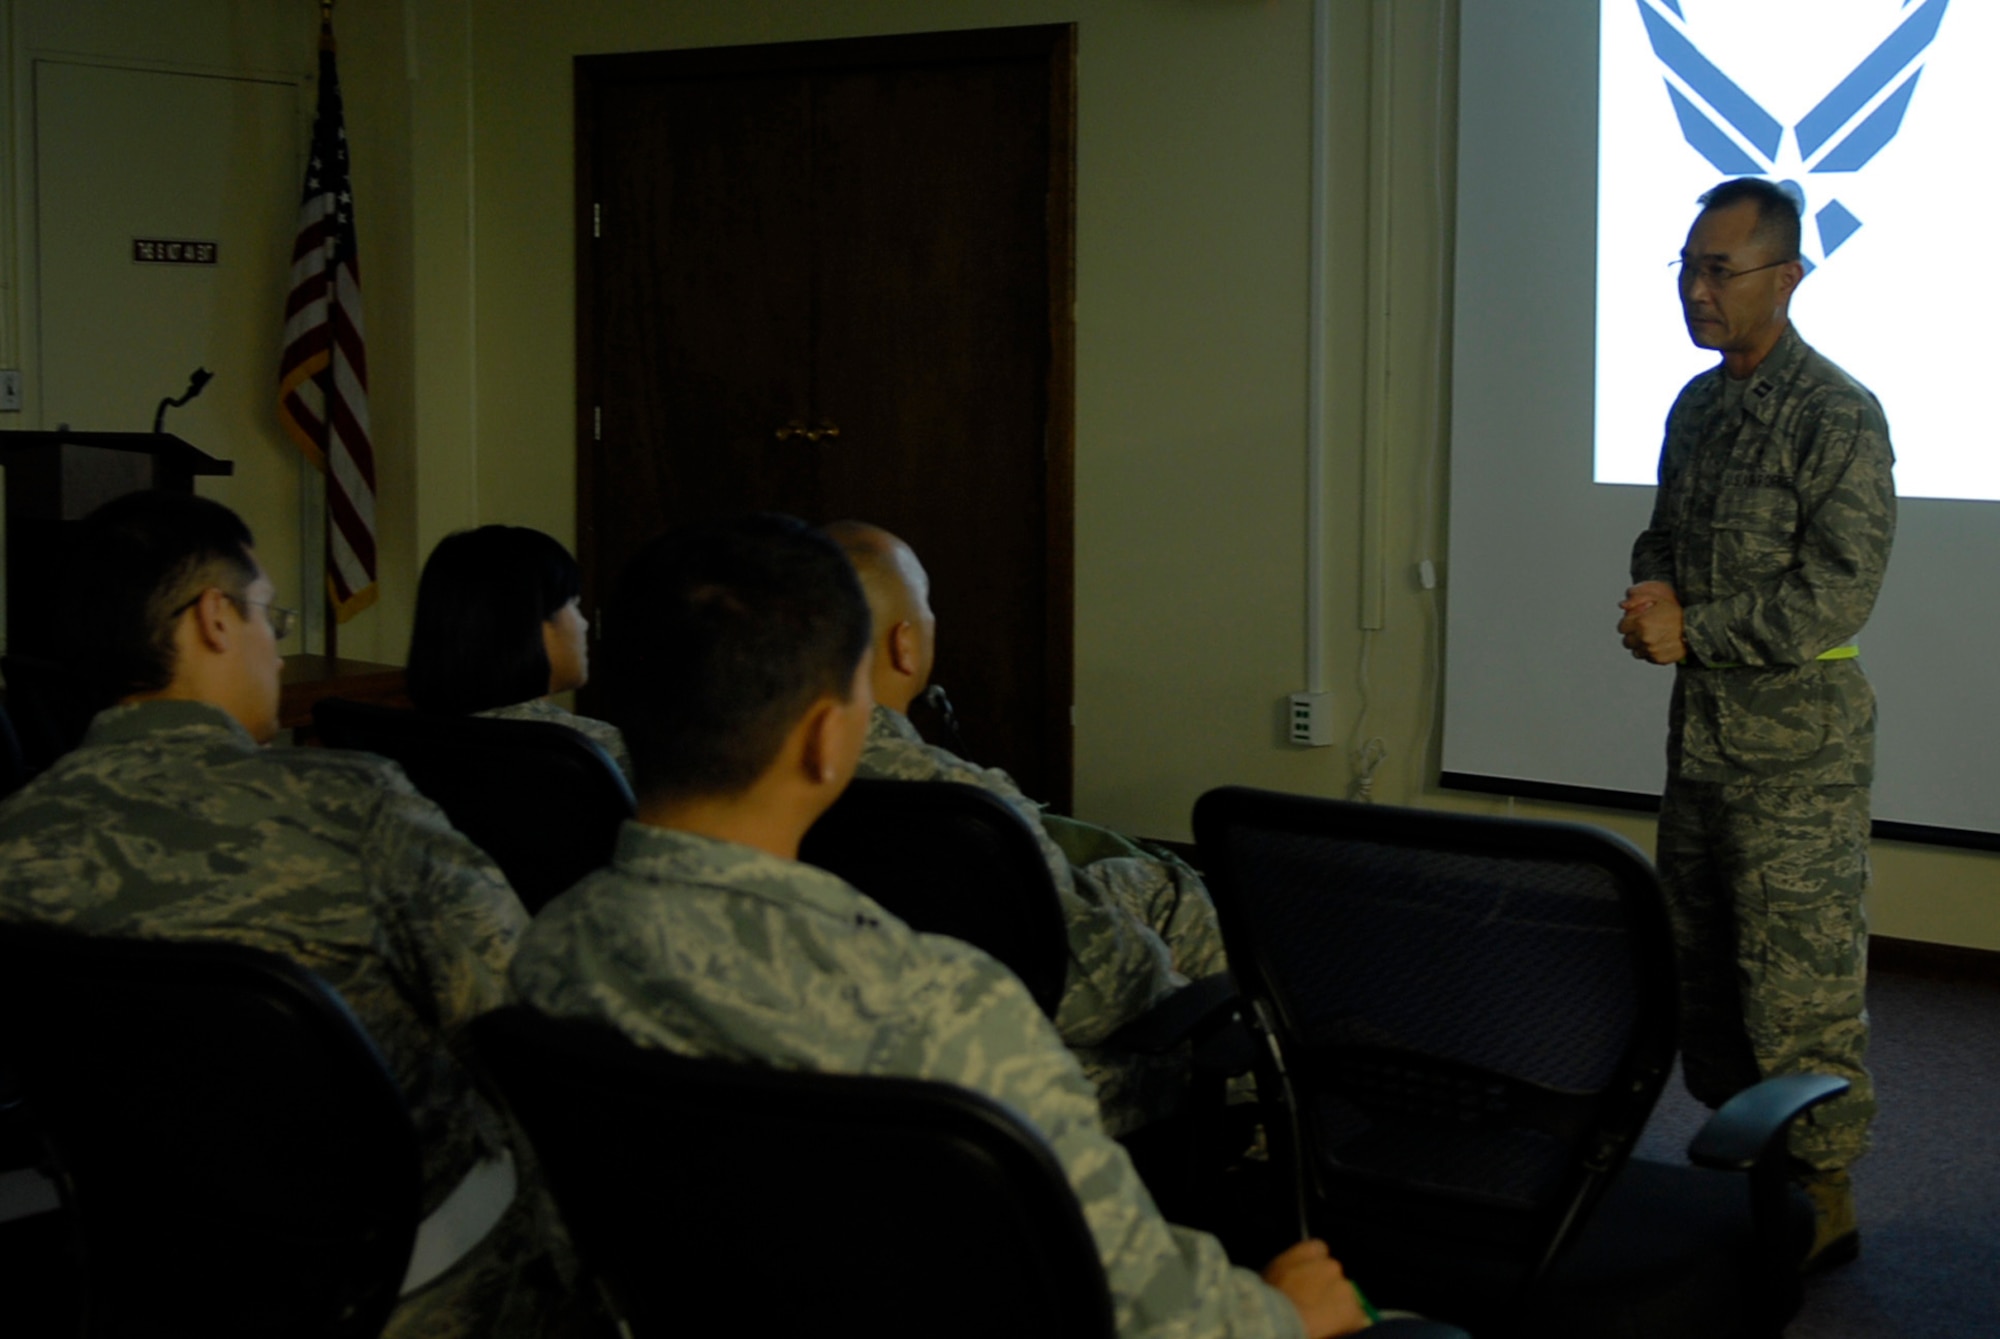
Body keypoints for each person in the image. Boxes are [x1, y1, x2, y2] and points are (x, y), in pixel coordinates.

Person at [511, 513, 1370, 1339]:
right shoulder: (951, 1015)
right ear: (824, 739)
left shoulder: (546, 951)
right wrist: (1279, 1311)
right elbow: (1156, 1315)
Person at [0, 491, 588, 1336]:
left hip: (151, 1272)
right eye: (269, 617)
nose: (276, 647)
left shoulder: (15, 839)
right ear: (213, 618)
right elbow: (530, 1027)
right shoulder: (356, 804)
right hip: (418, 1274)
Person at [1617, 177, 1895, 1271]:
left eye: (1717, 271)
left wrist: (1701, 628)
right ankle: (1742, 1147)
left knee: (1798, 983)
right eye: (1685, 267)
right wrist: (1650, 600)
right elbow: (1660, 537)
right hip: (1702, 744)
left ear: (1784, 277)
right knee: (1706, 964)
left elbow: (1838, 592)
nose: (1695, 290)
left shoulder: (1836, 413)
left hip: (1798, 757)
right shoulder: (1694, 406)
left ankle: (1821, 1185)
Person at [824, 520, 1230, 1133]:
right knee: (1184, 950)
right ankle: (1257, 1135)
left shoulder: (739, 772)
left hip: (845, 1042)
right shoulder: (966, 803)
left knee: (1153, 883)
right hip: (988, 1093)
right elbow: (1094, 996)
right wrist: (1160, 973)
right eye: (927, 605)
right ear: (904, 644)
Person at [405, 524, 632, 783]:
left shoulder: (395, 742)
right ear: (529, 624)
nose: (584, 623)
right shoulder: (596, 748)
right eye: (574, 604)